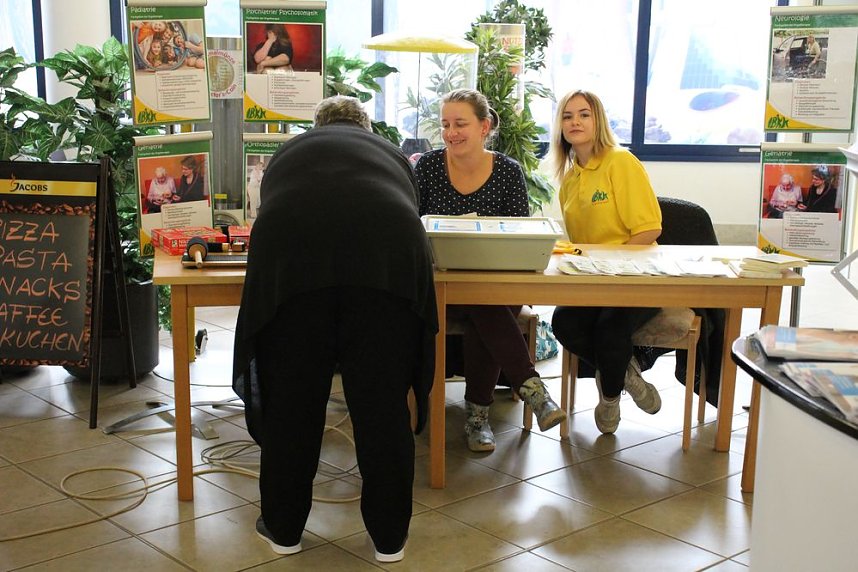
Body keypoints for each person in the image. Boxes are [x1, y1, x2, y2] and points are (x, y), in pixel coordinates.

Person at [232, 95, 437, 564]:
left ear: (317, 126)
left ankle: (284, 529)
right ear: (366, 129)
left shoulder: (291, 151)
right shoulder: (390, 153)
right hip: (386, 267)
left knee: (292, 403)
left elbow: (270, 207)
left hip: (294, 270)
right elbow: (408, 207)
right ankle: (389, 539)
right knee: (382, 405)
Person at [414, 88, 565, 452]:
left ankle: (481, 418)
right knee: (487, 307)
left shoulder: (508, 171)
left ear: (484, 127)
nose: (451, 132)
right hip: (442, 283)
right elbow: (413, 226)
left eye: (460, 123)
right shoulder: (428, 167)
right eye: (445, 124)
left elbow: (519, 236)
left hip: (498, 283)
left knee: (486, 304)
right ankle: (520, 395)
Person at [548, 90, 663, 435]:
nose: (575, 122)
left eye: (584, 114)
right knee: (563, 322)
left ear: (598, 120)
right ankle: (628, 376)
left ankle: (610, 397)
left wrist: (611, 268)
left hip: (638, 276)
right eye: (567, 116)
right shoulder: (570, 179)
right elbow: (582, 244)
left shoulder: (620, 162)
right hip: (595, 280)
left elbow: (649, 229)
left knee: (610, 326)